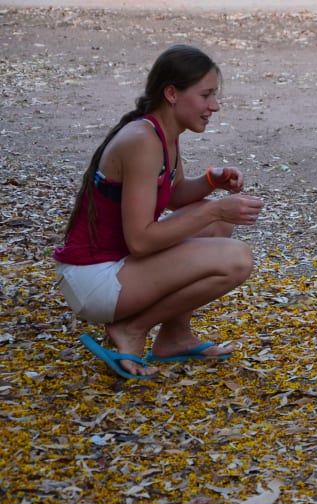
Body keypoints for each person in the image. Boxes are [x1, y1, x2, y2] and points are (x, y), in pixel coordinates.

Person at [53, 44, 264, 379]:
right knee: (236, 258)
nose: (215, 105)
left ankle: (175, 337)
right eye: (206, 95)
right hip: (94, 279)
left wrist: (212, 180)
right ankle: (132, 330)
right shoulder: (142, 140)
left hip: (114, 268)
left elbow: (175, 196)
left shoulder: (162, 133)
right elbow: (140, 241)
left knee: (215, 226)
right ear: (172, 93)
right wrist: (217, 212)